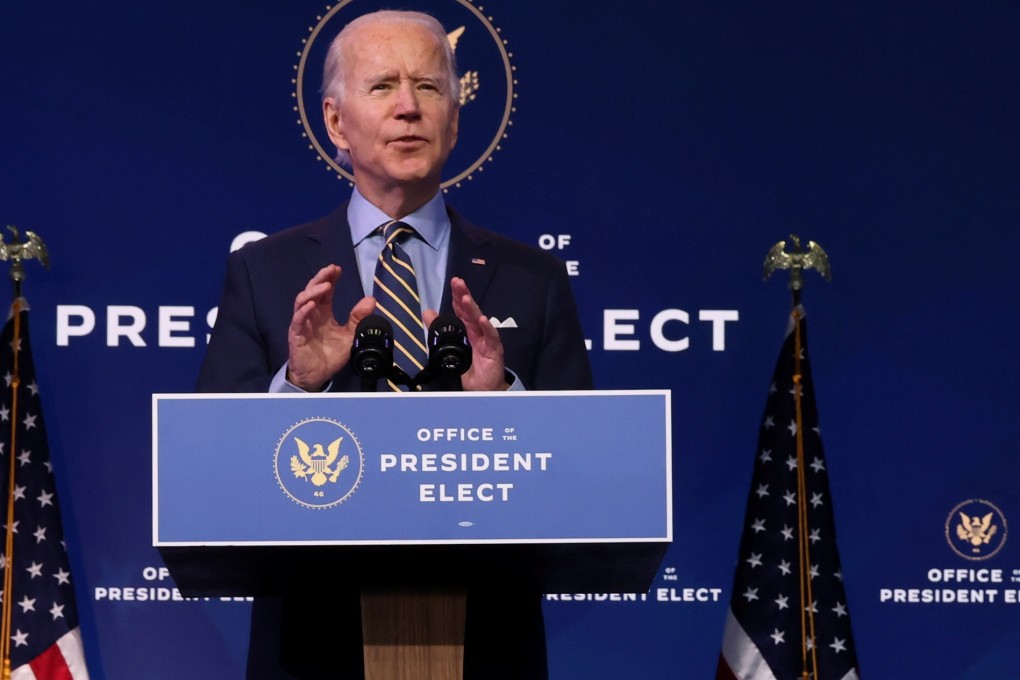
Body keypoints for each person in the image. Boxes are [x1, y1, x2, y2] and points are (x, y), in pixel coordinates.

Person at [198, 9, 591, 679]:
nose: (409, 107)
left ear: (456, 120)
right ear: (334, 122)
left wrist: (505, 398)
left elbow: (585, 473)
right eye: (382, 86)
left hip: (491, 642)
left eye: (430, 87)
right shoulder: (265, 273)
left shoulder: (535, 279)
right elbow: (211, 472)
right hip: (313, 642)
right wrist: (298, 386)